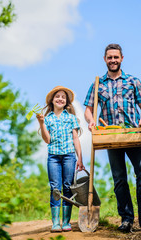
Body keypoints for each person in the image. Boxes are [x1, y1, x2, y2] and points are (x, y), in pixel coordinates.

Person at [84, 44, 141, 232]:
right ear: (105, 59)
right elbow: (88, 109)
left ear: (122, 58)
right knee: (119, 179)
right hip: (110, 136)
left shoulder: (133, 81)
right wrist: (91, 122)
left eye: (116, 57)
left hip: (133, 134)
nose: (113, 60)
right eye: (109, 57)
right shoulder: (97, 84)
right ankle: (126, 219)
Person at [37, 86, 84, 232]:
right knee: (55, 188)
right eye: (57, 96)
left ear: (66, 102)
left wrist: (80, 158)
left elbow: (76, 138)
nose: (60, 99)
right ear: (52, 100)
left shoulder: (71, 118)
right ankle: (56, 222)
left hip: (69, 156)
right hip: (54, 157)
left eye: (63, 97)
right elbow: (47, 139)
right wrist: (41, 123)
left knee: (68, 186)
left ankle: (66, 222)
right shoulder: (48, 118)